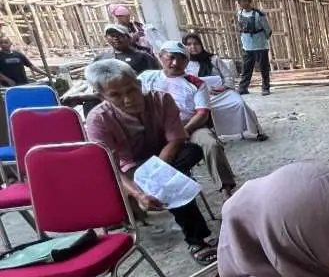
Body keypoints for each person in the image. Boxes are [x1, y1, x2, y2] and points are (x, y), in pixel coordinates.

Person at [83, 59, 217, 265]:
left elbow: (176, 139)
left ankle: (193, 233)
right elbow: (108, 167)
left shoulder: (162, 100)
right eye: (115, 95)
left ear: (139, 83)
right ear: (102, 96)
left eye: (131, 90)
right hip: (131, 168)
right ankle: (197, 241)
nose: (127, 99)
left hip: (168, 155)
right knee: (174, 181)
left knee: (190, 153)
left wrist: (156, 173)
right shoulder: (97, 120)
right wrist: (138, 193)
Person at [140, 41, 238, 198]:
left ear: (187, 61)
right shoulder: (146, 78)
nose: (175, 63)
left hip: (190, 125)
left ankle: (226, 189)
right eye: (170, 57)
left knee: (211, 144)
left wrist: (184, 131)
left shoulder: (196, 83)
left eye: (181, 59)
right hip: (155, 127)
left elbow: (202, 114)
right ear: (160, 57)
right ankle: (143, 196)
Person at [182, 33, 267, 141]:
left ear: (201, 45)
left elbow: (227, 76)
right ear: (185, 47)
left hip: (222, 92)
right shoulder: (184, 64)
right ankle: (212, 136)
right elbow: (184, 84)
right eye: (189, 44)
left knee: (239, 103)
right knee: (204, 112)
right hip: (201, 96)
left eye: (196, 44)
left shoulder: (213, 59)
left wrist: (224, 87)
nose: (193, 47)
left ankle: (255, 131)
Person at [233, 0, 272, 96]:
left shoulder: (258, 14)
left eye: (242, 1)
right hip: (247, 45)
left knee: (263, 68)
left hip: (260, 45)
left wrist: (263, 39)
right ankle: (243, 87)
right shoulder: (239, 13)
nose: (241, 3)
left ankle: (265, 87)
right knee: (246, 68)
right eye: (239, 2)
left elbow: (267, 29)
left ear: (247, 1)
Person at [95, 24, 160, 73]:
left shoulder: (142, 56)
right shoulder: (101, 58)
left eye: (119, 35)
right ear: (106, 38)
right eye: (112, 36)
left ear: (128, 37)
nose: (115, 38)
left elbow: (155, 76)